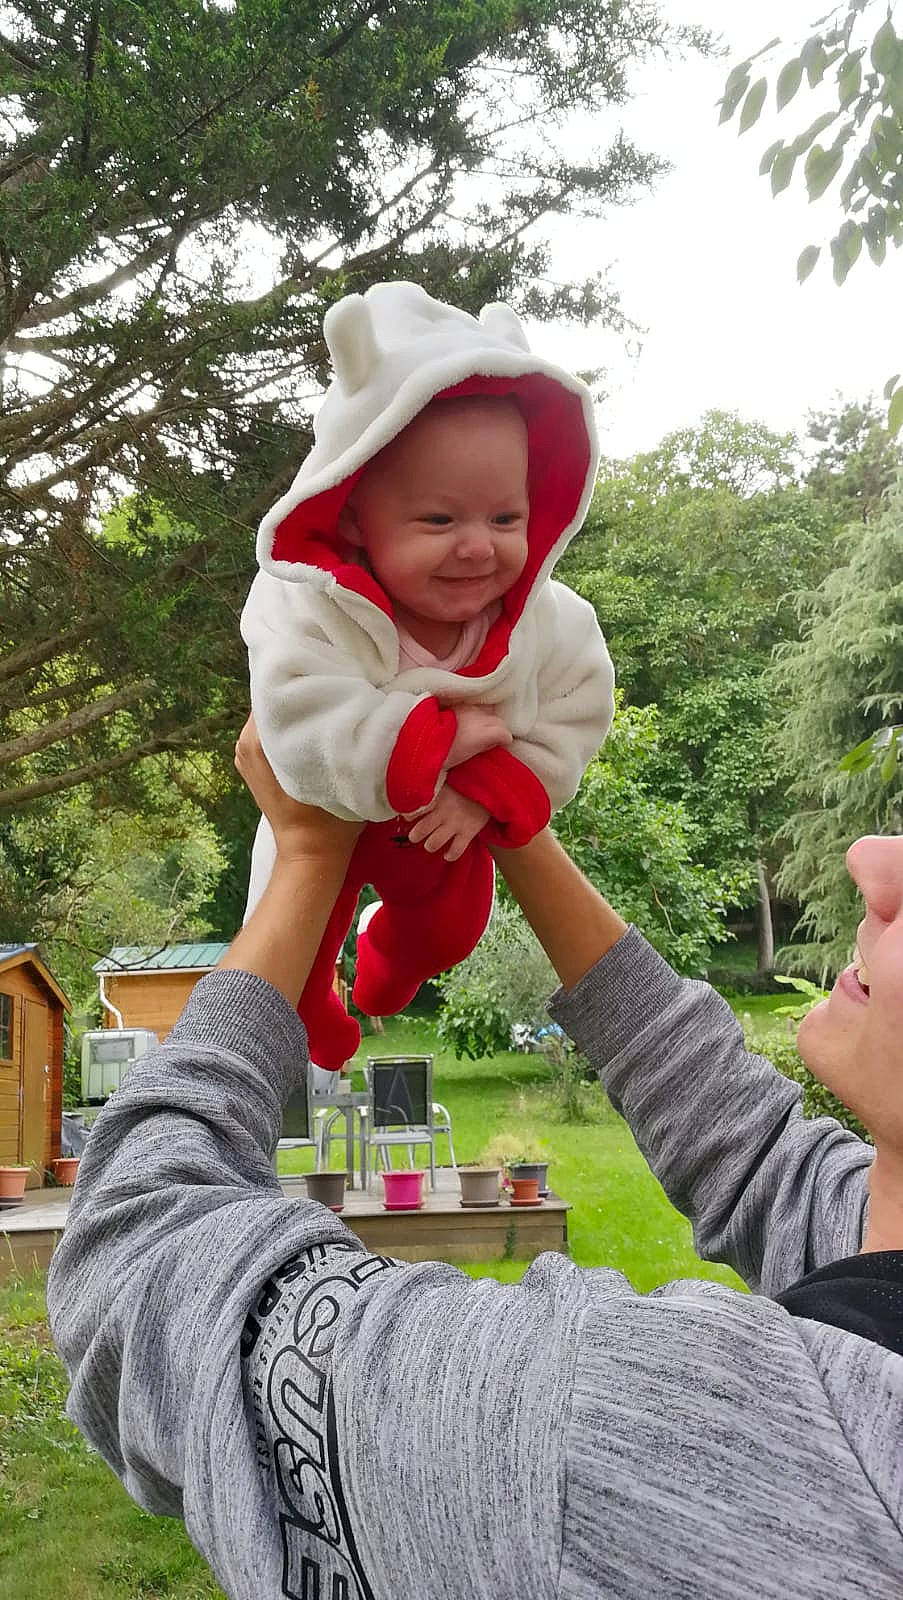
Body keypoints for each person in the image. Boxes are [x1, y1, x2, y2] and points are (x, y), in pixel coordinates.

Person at [47, 721, 903, 1600]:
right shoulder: (867, 1261)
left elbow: (139, 1266)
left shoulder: (613, 1433)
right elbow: (751, 1155)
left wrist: (307, 854)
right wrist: (510, 817)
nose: (873, 861)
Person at [240, 279, 615, 1071]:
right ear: (351, 516)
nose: (478, 547)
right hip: (321, 816)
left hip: (447, 828)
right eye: (439, 520)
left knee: (450, 929)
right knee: (292, 946)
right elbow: (295, 714)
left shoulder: (549, 623)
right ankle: (317, 1011)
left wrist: (488, 786)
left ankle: (390, 965)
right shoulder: (311, 606)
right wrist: (441, 740)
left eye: (505, 518)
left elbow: (578, 709)